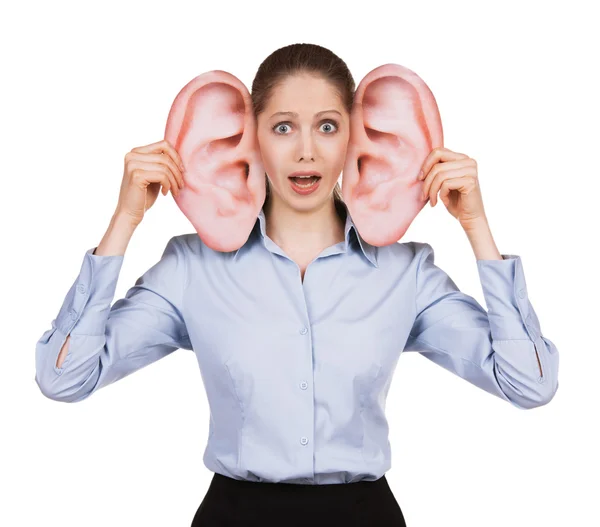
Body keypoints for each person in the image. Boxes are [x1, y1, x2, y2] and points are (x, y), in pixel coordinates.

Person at [35, 43, 560, 526]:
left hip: (365, 516)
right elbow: (65, 379)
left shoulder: (408, 274)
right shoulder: (191, 268)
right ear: (246, 138)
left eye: (327, 126)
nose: (306, 151)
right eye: (283, 127)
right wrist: (125, 219)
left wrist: (477, 228)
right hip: (236, 515)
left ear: (361, 137)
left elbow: (529, 385)